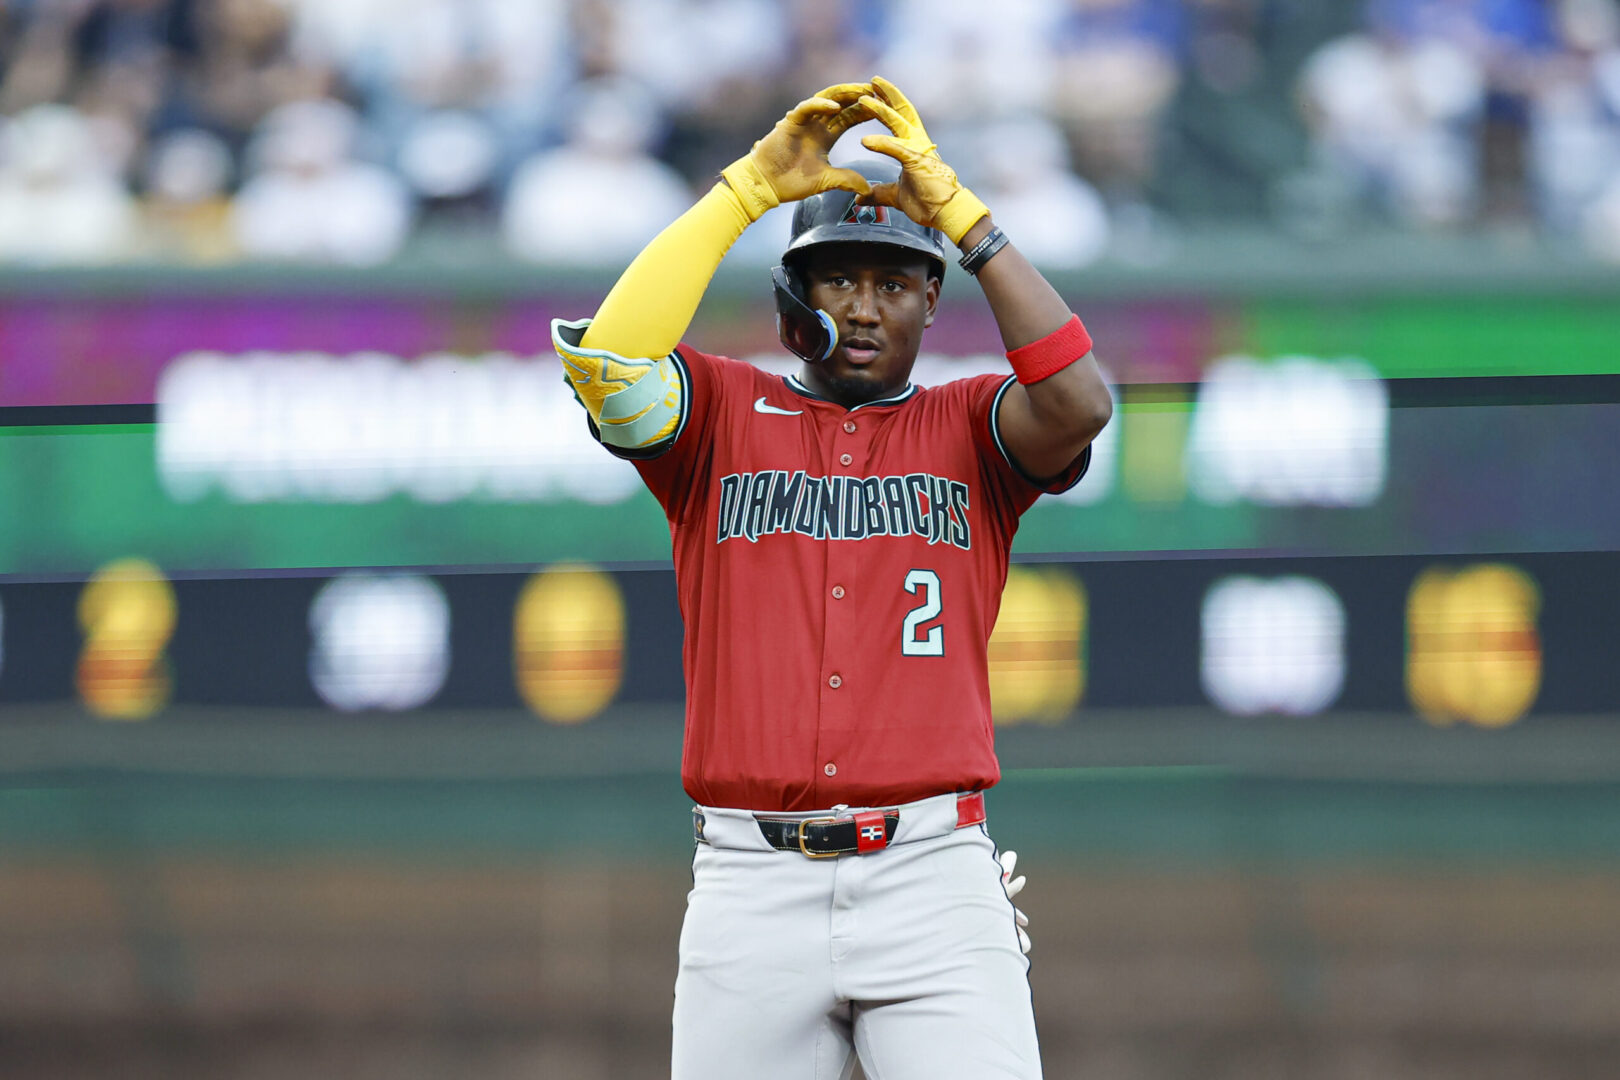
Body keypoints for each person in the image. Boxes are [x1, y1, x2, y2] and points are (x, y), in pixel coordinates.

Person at [551, 77, 1111, 1080]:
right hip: (747, 877)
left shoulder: (970, 426)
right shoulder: (718, 412)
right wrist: (749, 189)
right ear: (792, 296)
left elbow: (1077, 402)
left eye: (892, 282)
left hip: (932, 871)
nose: (862, 304)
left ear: (932, 298)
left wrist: (966, 223)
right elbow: (610, 364)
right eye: (837, 278)